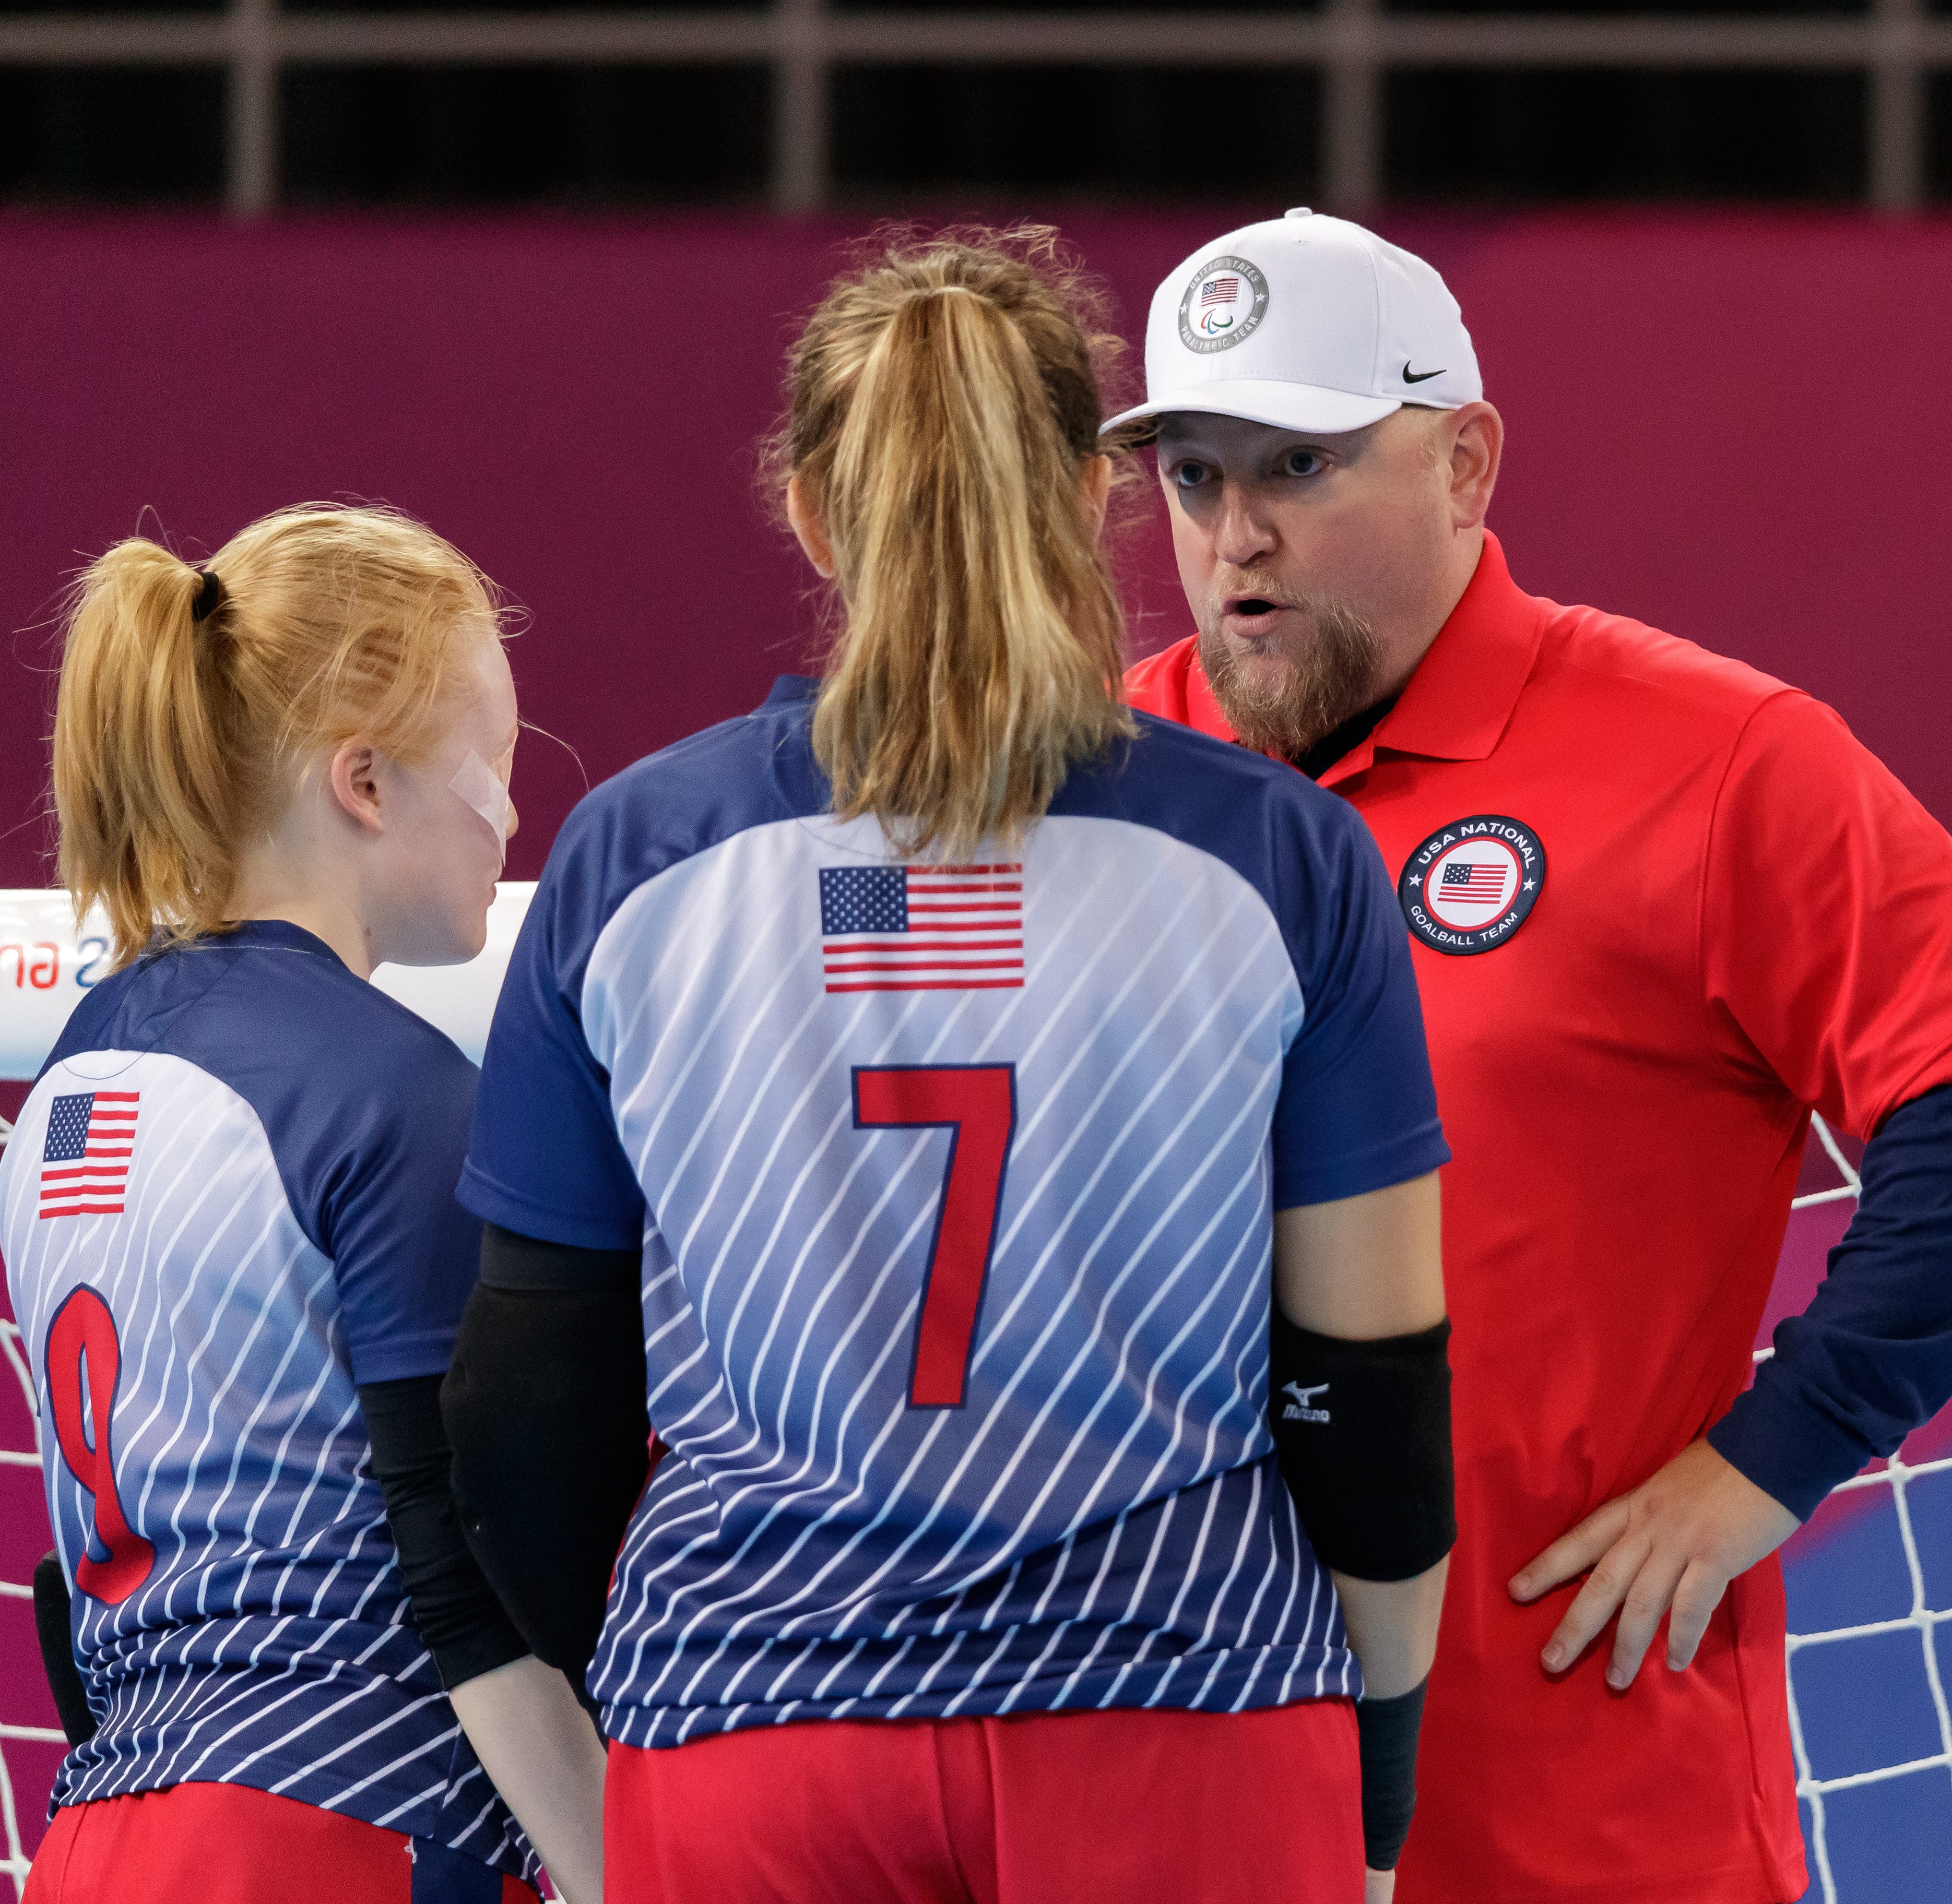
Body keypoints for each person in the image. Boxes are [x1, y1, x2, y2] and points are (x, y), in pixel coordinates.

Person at [1115, 209, 1952, 1904]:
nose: (1237, 538)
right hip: (1157, 1763)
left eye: (1299, 463)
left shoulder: (1714, 760)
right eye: (1196, 477)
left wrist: (1773, 1458)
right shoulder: (1096, 767)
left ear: (1466, 462)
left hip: (1570, 1800)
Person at [439, 227, 1456, 1904]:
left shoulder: (635, 863)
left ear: (813, 514)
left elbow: (525, 1411)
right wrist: (1384, 1765)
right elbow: (1373, 1392)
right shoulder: (1279, 862)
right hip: (1183, 1709)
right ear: (1086, 495)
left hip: (755, 1730)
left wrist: (663, 1683)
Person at [2, 505, 607, 1903]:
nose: (514, 814)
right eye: (500, 763)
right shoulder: (396, 1098)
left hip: (94, 1836)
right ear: (366, 782)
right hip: (345, 1829)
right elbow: (467, 1602)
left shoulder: (72, 1084)